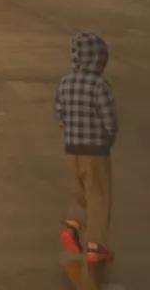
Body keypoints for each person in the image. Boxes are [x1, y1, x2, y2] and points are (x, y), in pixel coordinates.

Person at [57, 31, 117, 265]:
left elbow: (59, 113)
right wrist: (109, 137)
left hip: (72, 148)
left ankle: (71, 228)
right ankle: (96, 246)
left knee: (81, 191)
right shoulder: (100, 85)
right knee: (99, 195)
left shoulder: (65, 82)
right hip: (96, 149)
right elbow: (109, 118)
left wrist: (70, 131)